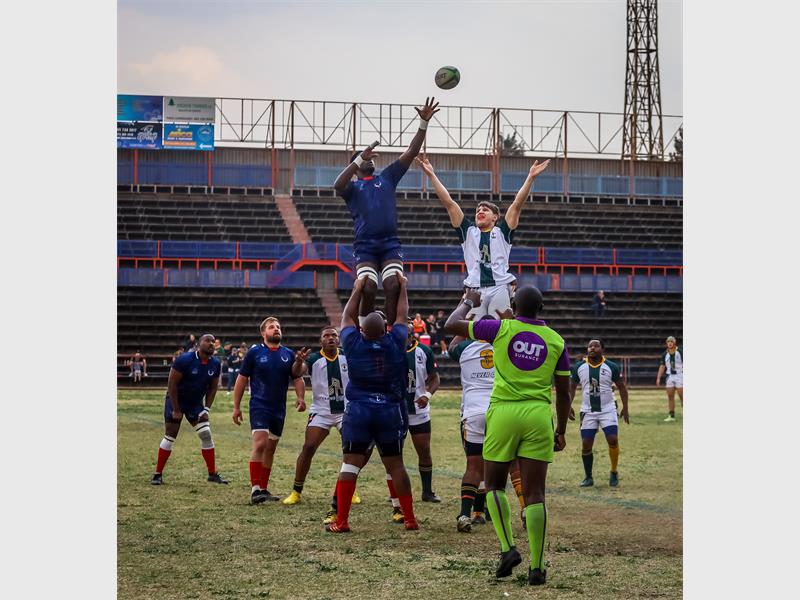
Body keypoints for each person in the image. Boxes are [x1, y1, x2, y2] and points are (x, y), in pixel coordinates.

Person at [444, 285, 571, 586]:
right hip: (538, 415)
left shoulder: (500, 328)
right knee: (535, 493)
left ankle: (507, 549)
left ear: (514, 304)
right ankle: (537, 568)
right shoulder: (556, 340)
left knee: (495, 485)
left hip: (502, 414)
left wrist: (468, 302)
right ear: (542, 308)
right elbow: (564, 392)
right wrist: (561, 429)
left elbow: (450, 326)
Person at [333, 97, 440, 324]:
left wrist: (423, 123)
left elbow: (411, 151)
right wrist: (360, 156)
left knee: (393, 284)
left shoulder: (387, 177)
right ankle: (364, 328)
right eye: (364, 158)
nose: (370, 159)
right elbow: (337, 185)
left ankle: (391, 330)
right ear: (357, 165)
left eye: (371, 157)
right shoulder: (352, 188)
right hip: (366, 246)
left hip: (390, 242)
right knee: (368, 287)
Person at [326, 275, 419, 533]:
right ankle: (410, 518)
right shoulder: (396, 341)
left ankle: (342, 521)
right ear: (385, 329)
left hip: (359, 411)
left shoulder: (353, 343)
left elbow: (347, 317)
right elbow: (402, 315)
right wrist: (403, 288)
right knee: (396, 465)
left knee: (350, 465)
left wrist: (357, 289)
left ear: (362, 330)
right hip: (389, 410)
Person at [418, 155, 551, 318]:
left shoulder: (502, 232)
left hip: (500, 286)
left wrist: (530, 178)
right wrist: (432, 175)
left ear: (495, 217)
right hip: (475, 288)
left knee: (499, 330)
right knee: (474, 332)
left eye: (485, 210)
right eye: (477, 210)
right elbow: (449, 202)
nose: (480, 211)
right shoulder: (468, 232)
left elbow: (517, 204)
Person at [282, 326, 359, 507]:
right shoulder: (314, 358)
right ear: (321, 341)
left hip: (346, 411)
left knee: (351, 451)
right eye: (326, 335)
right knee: (308, 447)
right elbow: (297, 372)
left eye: (334, 335)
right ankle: (296, 491)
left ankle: (350, 489)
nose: (331, 338)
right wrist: (299, 362)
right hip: (321, 411)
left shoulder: (349, 356)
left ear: (339, 339)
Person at [232, 317, 307, 504]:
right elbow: (241, 379)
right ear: (263, 333)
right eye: (272, 327)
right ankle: (255, 489)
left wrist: (300, 398)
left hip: (279, 409)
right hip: (259, 405)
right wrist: (236, 407)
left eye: (278, 327)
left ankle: (263, 488)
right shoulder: (254, 352)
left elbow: (298, 376)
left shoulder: (289, 354)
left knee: (270, 449)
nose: (276, 329)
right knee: (260, 444)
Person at [150, 334, 227, 485]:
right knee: (170, 436)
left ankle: (212, 474)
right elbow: (172, 385)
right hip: (176, 400)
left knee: (206, 434)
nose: (211, 343)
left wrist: (206, 409)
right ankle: (157, 474)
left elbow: (212, 388)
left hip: (195, 403)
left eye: (213, 341)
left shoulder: (216, 364)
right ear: (199, 344)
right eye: (207, 341)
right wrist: (176, 409)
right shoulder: (184, 360)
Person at [448, 317, 496, 533]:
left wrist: (466, 324)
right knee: (499, 464)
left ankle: (466, 513)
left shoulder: (465, 347)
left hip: (473, 411)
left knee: (474, 466)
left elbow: (451, 347)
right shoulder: (504, 345)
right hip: (499, 410)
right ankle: (508, 510)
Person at [392, 320, 441, 519]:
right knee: (394, 454)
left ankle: (427, 491)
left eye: (408, 333)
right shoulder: (391, 350)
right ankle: (396, 492)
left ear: (414, 334)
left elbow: (435, 377)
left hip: (419, 411)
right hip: (396, 410)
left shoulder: (424, 352)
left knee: (424, 450)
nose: (405, 337)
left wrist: (427, 395)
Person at [569, 339, 630, 488]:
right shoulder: (579, 367)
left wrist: (625, 407)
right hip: (587, 411)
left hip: (607, 409)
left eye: (596, 346)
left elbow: (622, 387)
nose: (592, 348)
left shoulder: (611, 367)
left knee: (613, 439)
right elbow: (571, 387)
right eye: (590, 346)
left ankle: (614, 472)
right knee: (586, 444)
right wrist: (568, 405)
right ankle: (588, 477)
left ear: (602, 349)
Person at [656, 336, 683, 422]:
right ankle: (671, 415)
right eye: (668, 342)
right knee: (670, 396)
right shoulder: (665, 354)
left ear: (675, 343)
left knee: (682, 396)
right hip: (670, 376)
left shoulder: (680, 352)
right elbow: (662, 366)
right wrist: (658, 377)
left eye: (671, 341)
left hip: (680, 375)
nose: (670, 343)